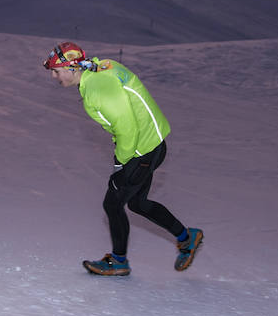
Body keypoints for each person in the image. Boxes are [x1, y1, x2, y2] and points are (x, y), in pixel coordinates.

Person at [43, 41, 202, 276]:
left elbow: (127, 129)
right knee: (137, 203)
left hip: (141, 150)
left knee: (113, 203)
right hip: (151, 144)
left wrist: (121, 163)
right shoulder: (99, 69)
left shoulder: (98, 88)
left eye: (56, 71)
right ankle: (187, 238)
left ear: (72, 67)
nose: (54, 77)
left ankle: (119, 261)